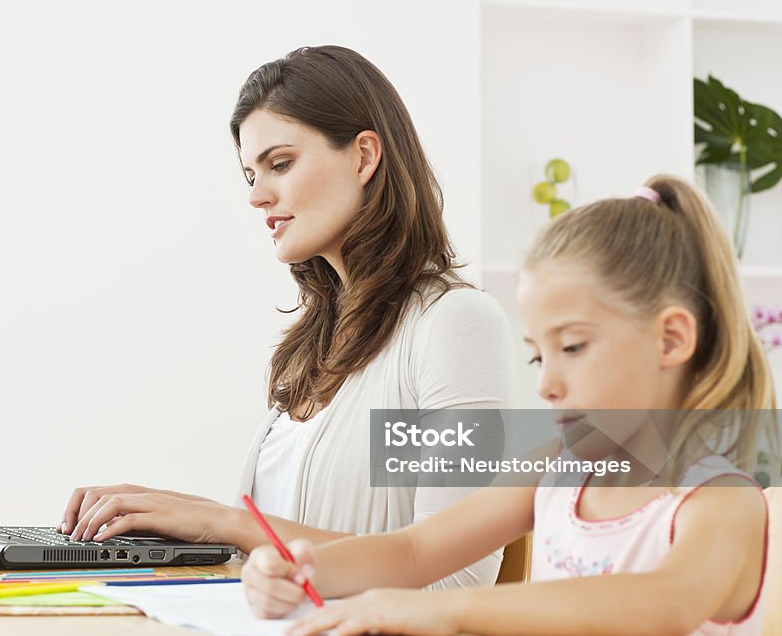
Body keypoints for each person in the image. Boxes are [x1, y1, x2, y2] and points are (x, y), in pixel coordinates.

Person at [241, 175, 774, 636]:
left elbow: (664, 604)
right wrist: (305, 567)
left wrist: (443, 612)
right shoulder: (557, 468)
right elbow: (415, 550)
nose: (545, 383)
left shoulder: (722, 499)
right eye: (539, 356)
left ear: (672, 339)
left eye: (573, 346)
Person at [55, 45, 515, 587]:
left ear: (364, 157)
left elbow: (456, 577)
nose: (256, 195)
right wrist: (168, 515)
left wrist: (227, 523)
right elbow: (281, 547)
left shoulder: (453, 325)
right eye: (251, 173)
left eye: (280, 164)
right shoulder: (317, 341)